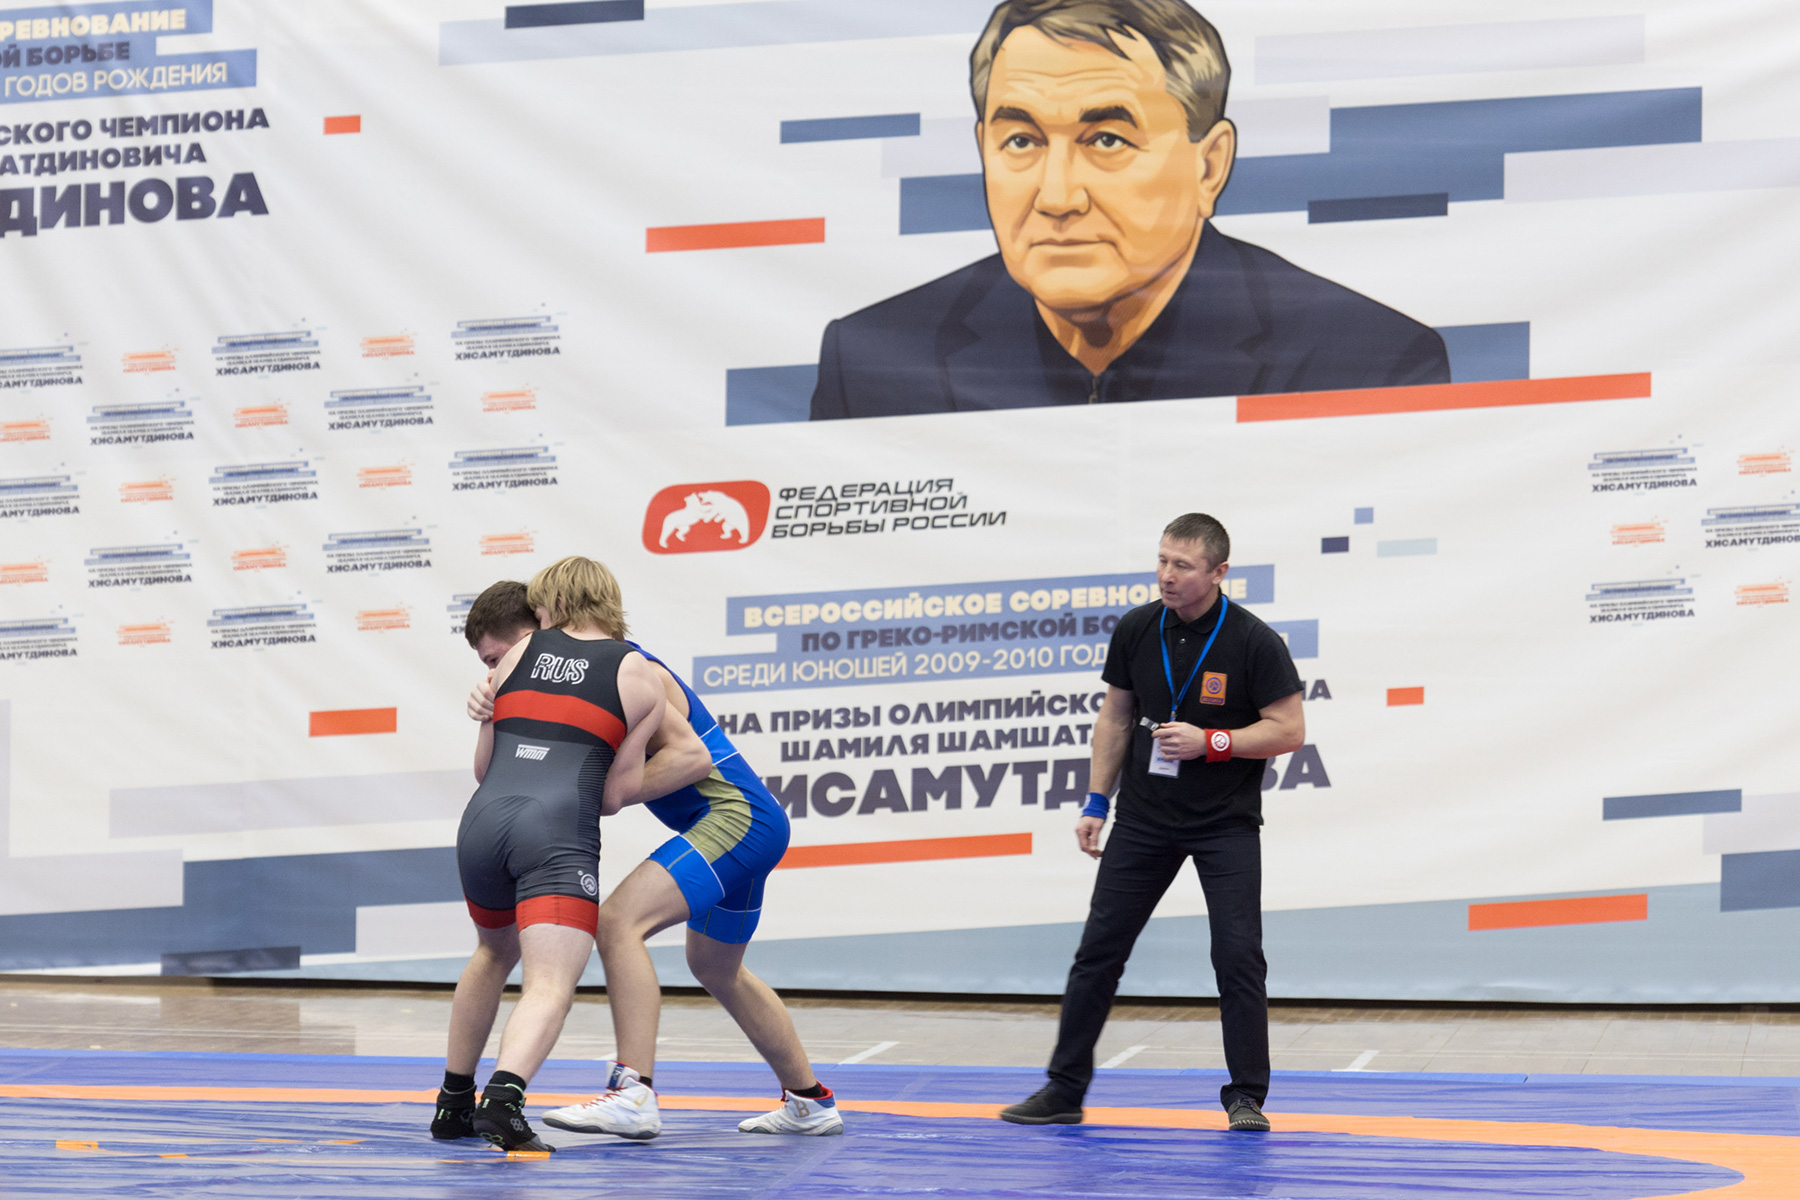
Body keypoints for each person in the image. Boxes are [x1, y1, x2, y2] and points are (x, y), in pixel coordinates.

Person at [810, 0, 1449, 421]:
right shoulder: (876, 363)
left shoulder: (1365, 365)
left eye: (1107, 141)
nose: (1057, 197)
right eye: (1022, 141)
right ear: (983, 151)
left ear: (1209, 166)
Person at [463, 574, 843, 1140]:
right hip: (742, 822)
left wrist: (598, 791)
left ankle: (633, 1093)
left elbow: (691, 759)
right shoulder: (603, 667)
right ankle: (810, 1101)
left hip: (736, 819)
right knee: (716, 968)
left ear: (558, 608)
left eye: (539, 618)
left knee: (617, 922)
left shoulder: (631, 668)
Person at [1001, 513, 1304, 1132]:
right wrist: (1096, 802)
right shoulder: (1138, 627)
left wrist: (1212, 741)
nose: (1166, 575)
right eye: (1162, 560)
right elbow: (1115, 718)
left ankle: (1246, 1097)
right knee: (1098, 952)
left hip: (1224, 824)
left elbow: (1289, 729)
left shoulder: (1254, 640)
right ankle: (1063, 1090)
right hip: (1143, 819)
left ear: (1218, 573)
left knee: (1238, 958)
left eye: (1182, 565)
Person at [431, 558, 675, 1152]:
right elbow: (614, 796)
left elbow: (484, 767)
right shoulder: (641, 676)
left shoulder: (516, 655)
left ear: (554, 604)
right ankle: (503, 1102)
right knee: (549, 982)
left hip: (483, 822)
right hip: (556, 830)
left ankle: (453, 1103)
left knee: (491, 953)